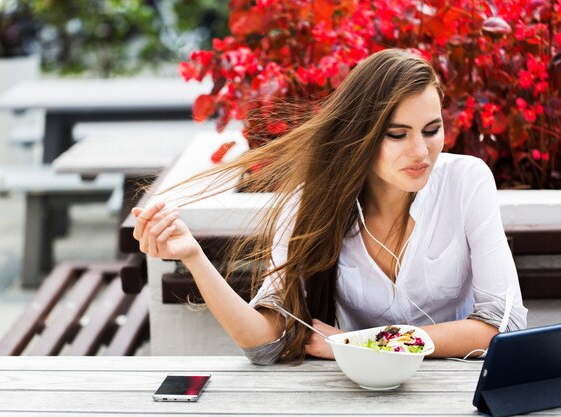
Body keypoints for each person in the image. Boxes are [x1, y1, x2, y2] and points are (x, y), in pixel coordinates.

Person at [131, 48, 527, 365]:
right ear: (361, 134)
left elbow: (503, 325)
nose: (421, 151)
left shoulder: (466, 181)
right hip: (355, 398)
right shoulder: (310, 206)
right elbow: (265, 344)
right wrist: (195, 257)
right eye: (397, 134)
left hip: (457, 391)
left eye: (431, 129)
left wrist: (367, 342)